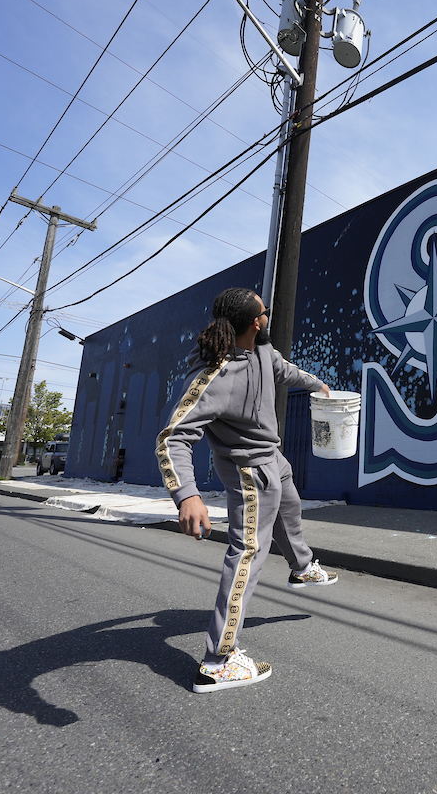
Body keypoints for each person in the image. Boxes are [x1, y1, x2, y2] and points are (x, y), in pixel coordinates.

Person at [157, 287, 337, 694]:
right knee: (247, 554)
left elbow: (284, 370)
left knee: (290, 504)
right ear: (256, 321)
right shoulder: (215, 375)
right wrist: (187, 494)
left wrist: (317, 385)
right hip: (248, 472)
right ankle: (218, 661)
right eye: (265, 311)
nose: (268, 315)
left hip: (273, 459)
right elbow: (172, 438)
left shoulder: (260, 350)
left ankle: (303, 568)